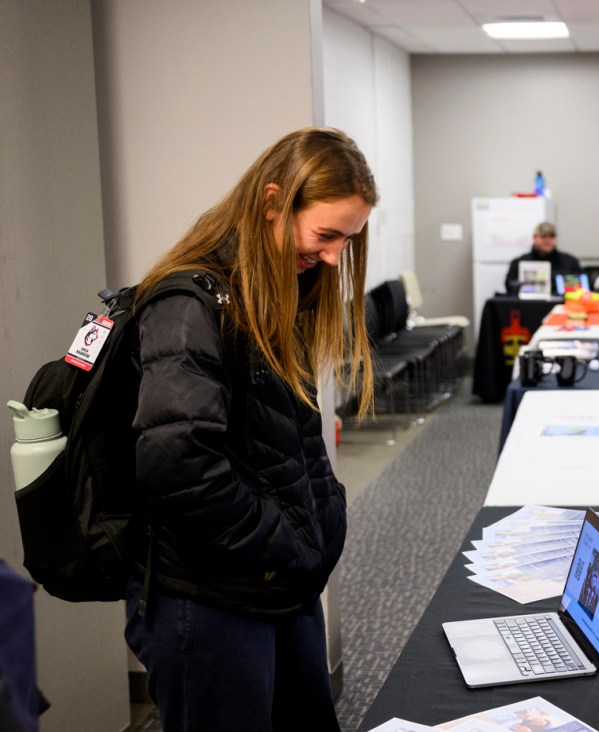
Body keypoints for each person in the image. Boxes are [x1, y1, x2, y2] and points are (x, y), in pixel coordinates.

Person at [124, 128, 377, 732]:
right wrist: (287, 545)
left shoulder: (268, 293)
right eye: (326, 235)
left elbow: (290, 438)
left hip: (273, 584)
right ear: (272, 201)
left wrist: (321, 521)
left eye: (349, 239)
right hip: (209, 599)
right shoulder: (187, 305)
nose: (336, 256)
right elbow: (178, 466)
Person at [504, 221, 582, 295]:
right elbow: (510, 286)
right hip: (530, 306)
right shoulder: (519, 263)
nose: (547, 240)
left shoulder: (570, 262)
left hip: (563, 306)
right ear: (534, 238)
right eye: (543, 236)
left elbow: (581, 287)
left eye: (551, 236)